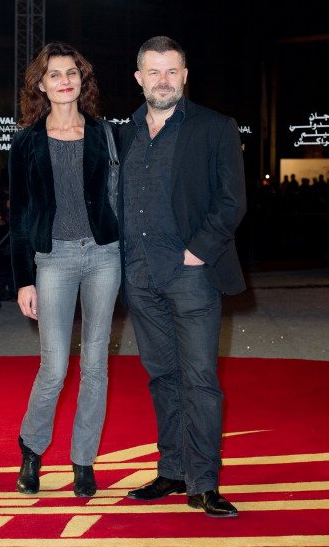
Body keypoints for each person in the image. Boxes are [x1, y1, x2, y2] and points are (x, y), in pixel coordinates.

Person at [118, 36, 247, 517]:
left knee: (200, 379)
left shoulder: (214, 127)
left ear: (185, 76)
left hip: (191, 273)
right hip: (140, 274)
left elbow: (232, 200)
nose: (163, 80)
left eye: (172, 71)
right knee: (162, 378)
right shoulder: (124, 133)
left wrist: (199, 250)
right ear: (139, 78)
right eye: (154, 72)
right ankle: (172, 470)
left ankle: (204, 481)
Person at [8, 42, 121, 497]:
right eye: (54, 74)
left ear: (82, 79)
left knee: (96, 366)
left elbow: (117, 194)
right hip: (51, 258)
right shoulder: (26, 141)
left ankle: (83, 462)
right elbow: (18, 214)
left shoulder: (103, 133)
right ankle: (32, 451)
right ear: (41, 84)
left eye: (71, 72)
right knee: (53, 368)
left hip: (103, 256)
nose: (64, 81)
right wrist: (23, 280)